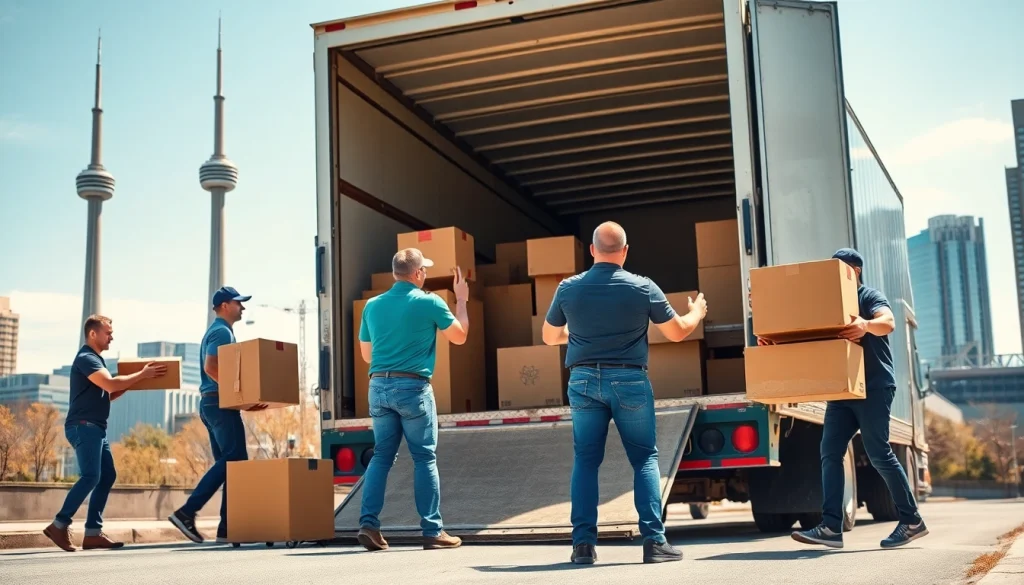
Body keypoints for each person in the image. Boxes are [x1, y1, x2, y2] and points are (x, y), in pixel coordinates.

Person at [542, 221, 708, 565]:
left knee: (586, 461)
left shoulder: (568, 288)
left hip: (583, 380)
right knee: (644, 458)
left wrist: (581, 335)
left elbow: (548, 336)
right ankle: (654, 542)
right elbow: (677, 333)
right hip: (629, 381)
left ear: (591, 250)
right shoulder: (642, 287)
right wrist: (696, 312)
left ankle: (583, 545)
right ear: (626, 251)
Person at [786, 248, 927, 549]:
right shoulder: (829, 304)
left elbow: (887, 321)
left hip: (874, 386)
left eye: (840, 268)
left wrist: (865, 325)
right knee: (830, 451)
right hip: (843, 389)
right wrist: (776, 341)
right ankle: (831, 527)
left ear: (855, 271)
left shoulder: (868, 297)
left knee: (878, 452)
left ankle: (912, 520)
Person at [355, 248, 469, 552]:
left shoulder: (372, 305)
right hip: (413, 389)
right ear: (417, 273)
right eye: (425, 270)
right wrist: (461, 299)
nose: (426, 275)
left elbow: (367, 355)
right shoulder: (429, 301)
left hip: (378, 386)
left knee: (381, 456)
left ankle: (369, 525)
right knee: (424, 457)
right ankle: (433, 531)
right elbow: (460, 337)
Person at [43, 315, 167, 552]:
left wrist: (128, 383)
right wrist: (141, 375)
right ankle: (59, 524)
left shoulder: (96, 360)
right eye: (108, 332)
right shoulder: (86, 358)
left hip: (96, 427)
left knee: (106, 475)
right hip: (84, 425)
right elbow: (110, 384)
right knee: (91, 476)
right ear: (93, 334)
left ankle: (92, 534)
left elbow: (108, 392)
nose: (112, 336)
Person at [169, 286, 266, 544]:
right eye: (238, 303)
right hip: (219, 404)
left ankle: (227, 528)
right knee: (234, 458)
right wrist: (242, 397)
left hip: (212, 404)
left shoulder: (220, 331)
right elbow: (211, 366)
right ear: (224, 305)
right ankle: (187, 512)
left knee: (230, 467)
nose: (242, 308)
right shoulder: (222, 332)